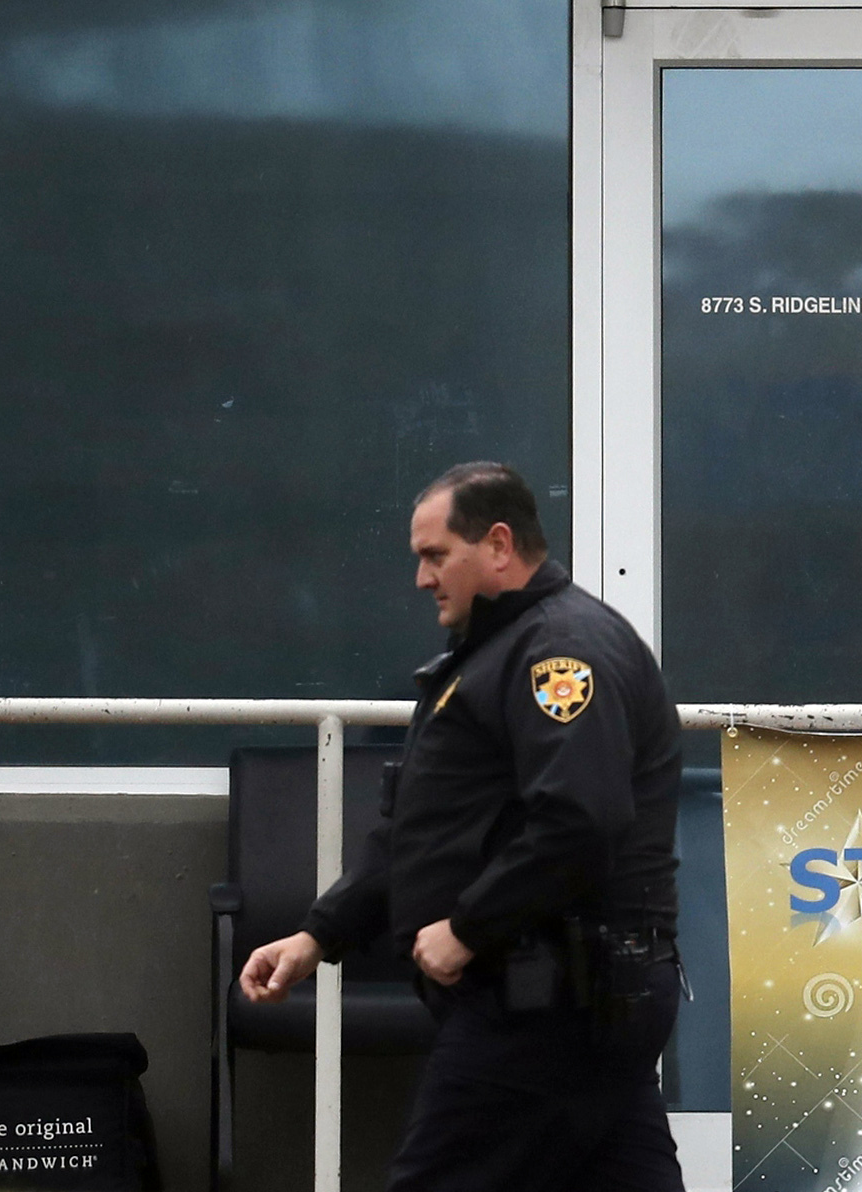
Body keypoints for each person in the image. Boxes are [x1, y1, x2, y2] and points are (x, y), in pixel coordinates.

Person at [238, 461, 685, 1192]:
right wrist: (319, 934)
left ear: (500, 545)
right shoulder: (495, 654)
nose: (421, 578)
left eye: (436, 555)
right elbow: (430, 825)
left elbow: (579, 818)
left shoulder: (558, 655)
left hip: (550, 998)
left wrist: (470, 927)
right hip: (576, 995)